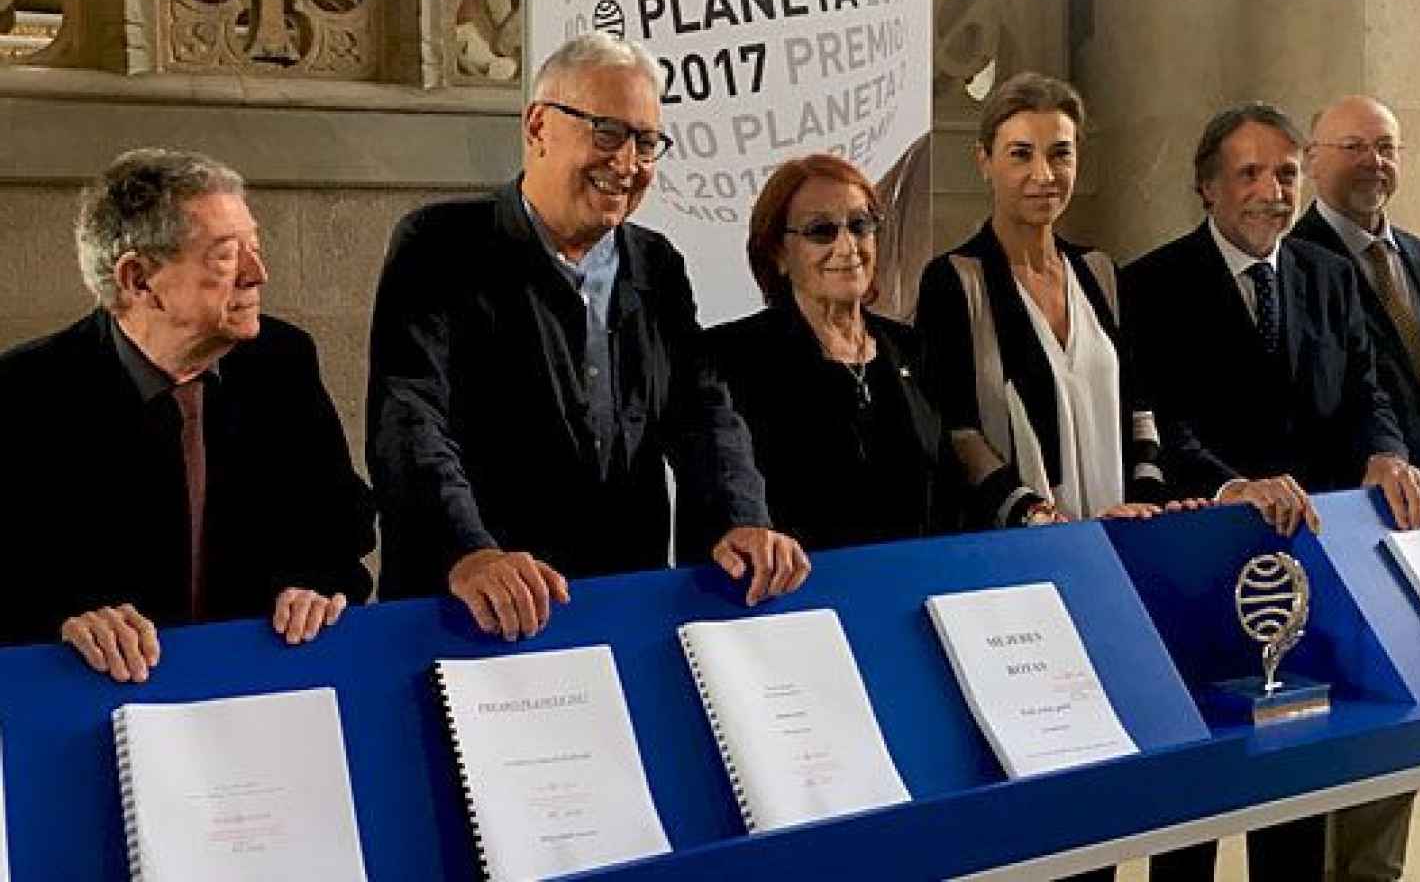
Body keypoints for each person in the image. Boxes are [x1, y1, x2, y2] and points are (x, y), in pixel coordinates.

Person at [368, 31, 809, 640]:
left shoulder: (658, 265)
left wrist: (741, 519)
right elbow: (410, 418)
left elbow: (703, 412)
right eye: (607, 133)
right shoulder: (438, 246)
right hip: (476, 613)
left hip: (621, 606)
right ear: (539, 127)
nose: (627, 164)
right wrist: (469, 551)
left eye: (646, 142)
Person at [1121, 102, 1420, 882]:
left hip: (1311, 564)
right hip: (1201, 563)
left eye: (1286, 173)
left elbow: (1367, 392)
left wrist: (1387, 453)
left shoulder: (1328, 274)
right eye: (1249, 173)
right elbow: (1157, 418)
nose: (1272, 190)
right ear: (1207, 188)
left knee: (1297, 795)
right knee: (1192, 811)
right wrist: (1234, 485)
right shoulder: (1151, 283)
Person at [0, 148, 375, 681]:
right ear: (138, 280)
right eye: (226, 255)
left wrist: (314, 588)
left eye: (256, 246)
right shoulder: (23, 392)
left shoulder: (282, 360)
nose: (257, 274)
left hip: (262, 677)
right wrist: (64, 622)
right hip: (100, 692)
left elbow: (342, 524)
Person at [1292, 95, 1420, 881]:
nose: (1374, 162)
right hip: (1343, 533)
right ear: (1313, 157)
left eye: (1387, 147)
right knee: (1344, 756)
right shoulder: (1291, 261)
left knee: (1400, 741)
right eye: (1354, 146)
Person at [914, 72, 1174, 536]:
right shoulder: (954, 279)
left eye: (1060, 154)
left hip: (1121, 537)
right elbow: (957, 430)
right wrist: (1032, 514)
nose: (1044, 175)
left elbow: (1142, 410)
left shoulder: (1099, 272)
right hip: (1020, 544)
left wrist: (1145, 504)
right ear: (984, 161)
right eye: (1020, 155)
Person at [682, 154, 946, 553]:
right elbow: (714, 508)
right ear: (779, 254)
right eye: (821, 231)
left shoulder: (913, 347)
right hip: (788, 602)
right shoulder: (727, 357)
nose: (848, 247)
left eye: (860, 225)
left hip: (910, 589)